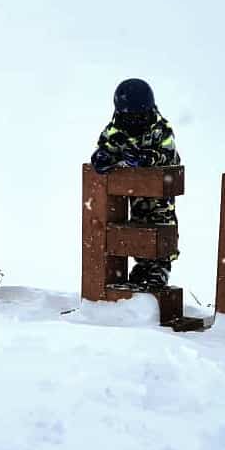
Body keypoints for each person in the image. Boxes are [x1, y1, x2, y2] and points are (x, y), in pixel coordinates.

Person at [89, 77, 182, 291]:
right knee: (138, 231)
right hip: (134, 198)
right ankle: (141, 271)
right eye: (129, 116)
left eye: (139, 116)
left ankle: (158, 271)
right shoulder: (115, 131)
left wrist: (146, 158)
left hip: (160, 198)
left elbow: (169, 156)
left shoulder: (160, 129)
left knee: (161, 229)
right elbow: (103, 151)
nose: (134, 121)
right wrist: (104, 158)